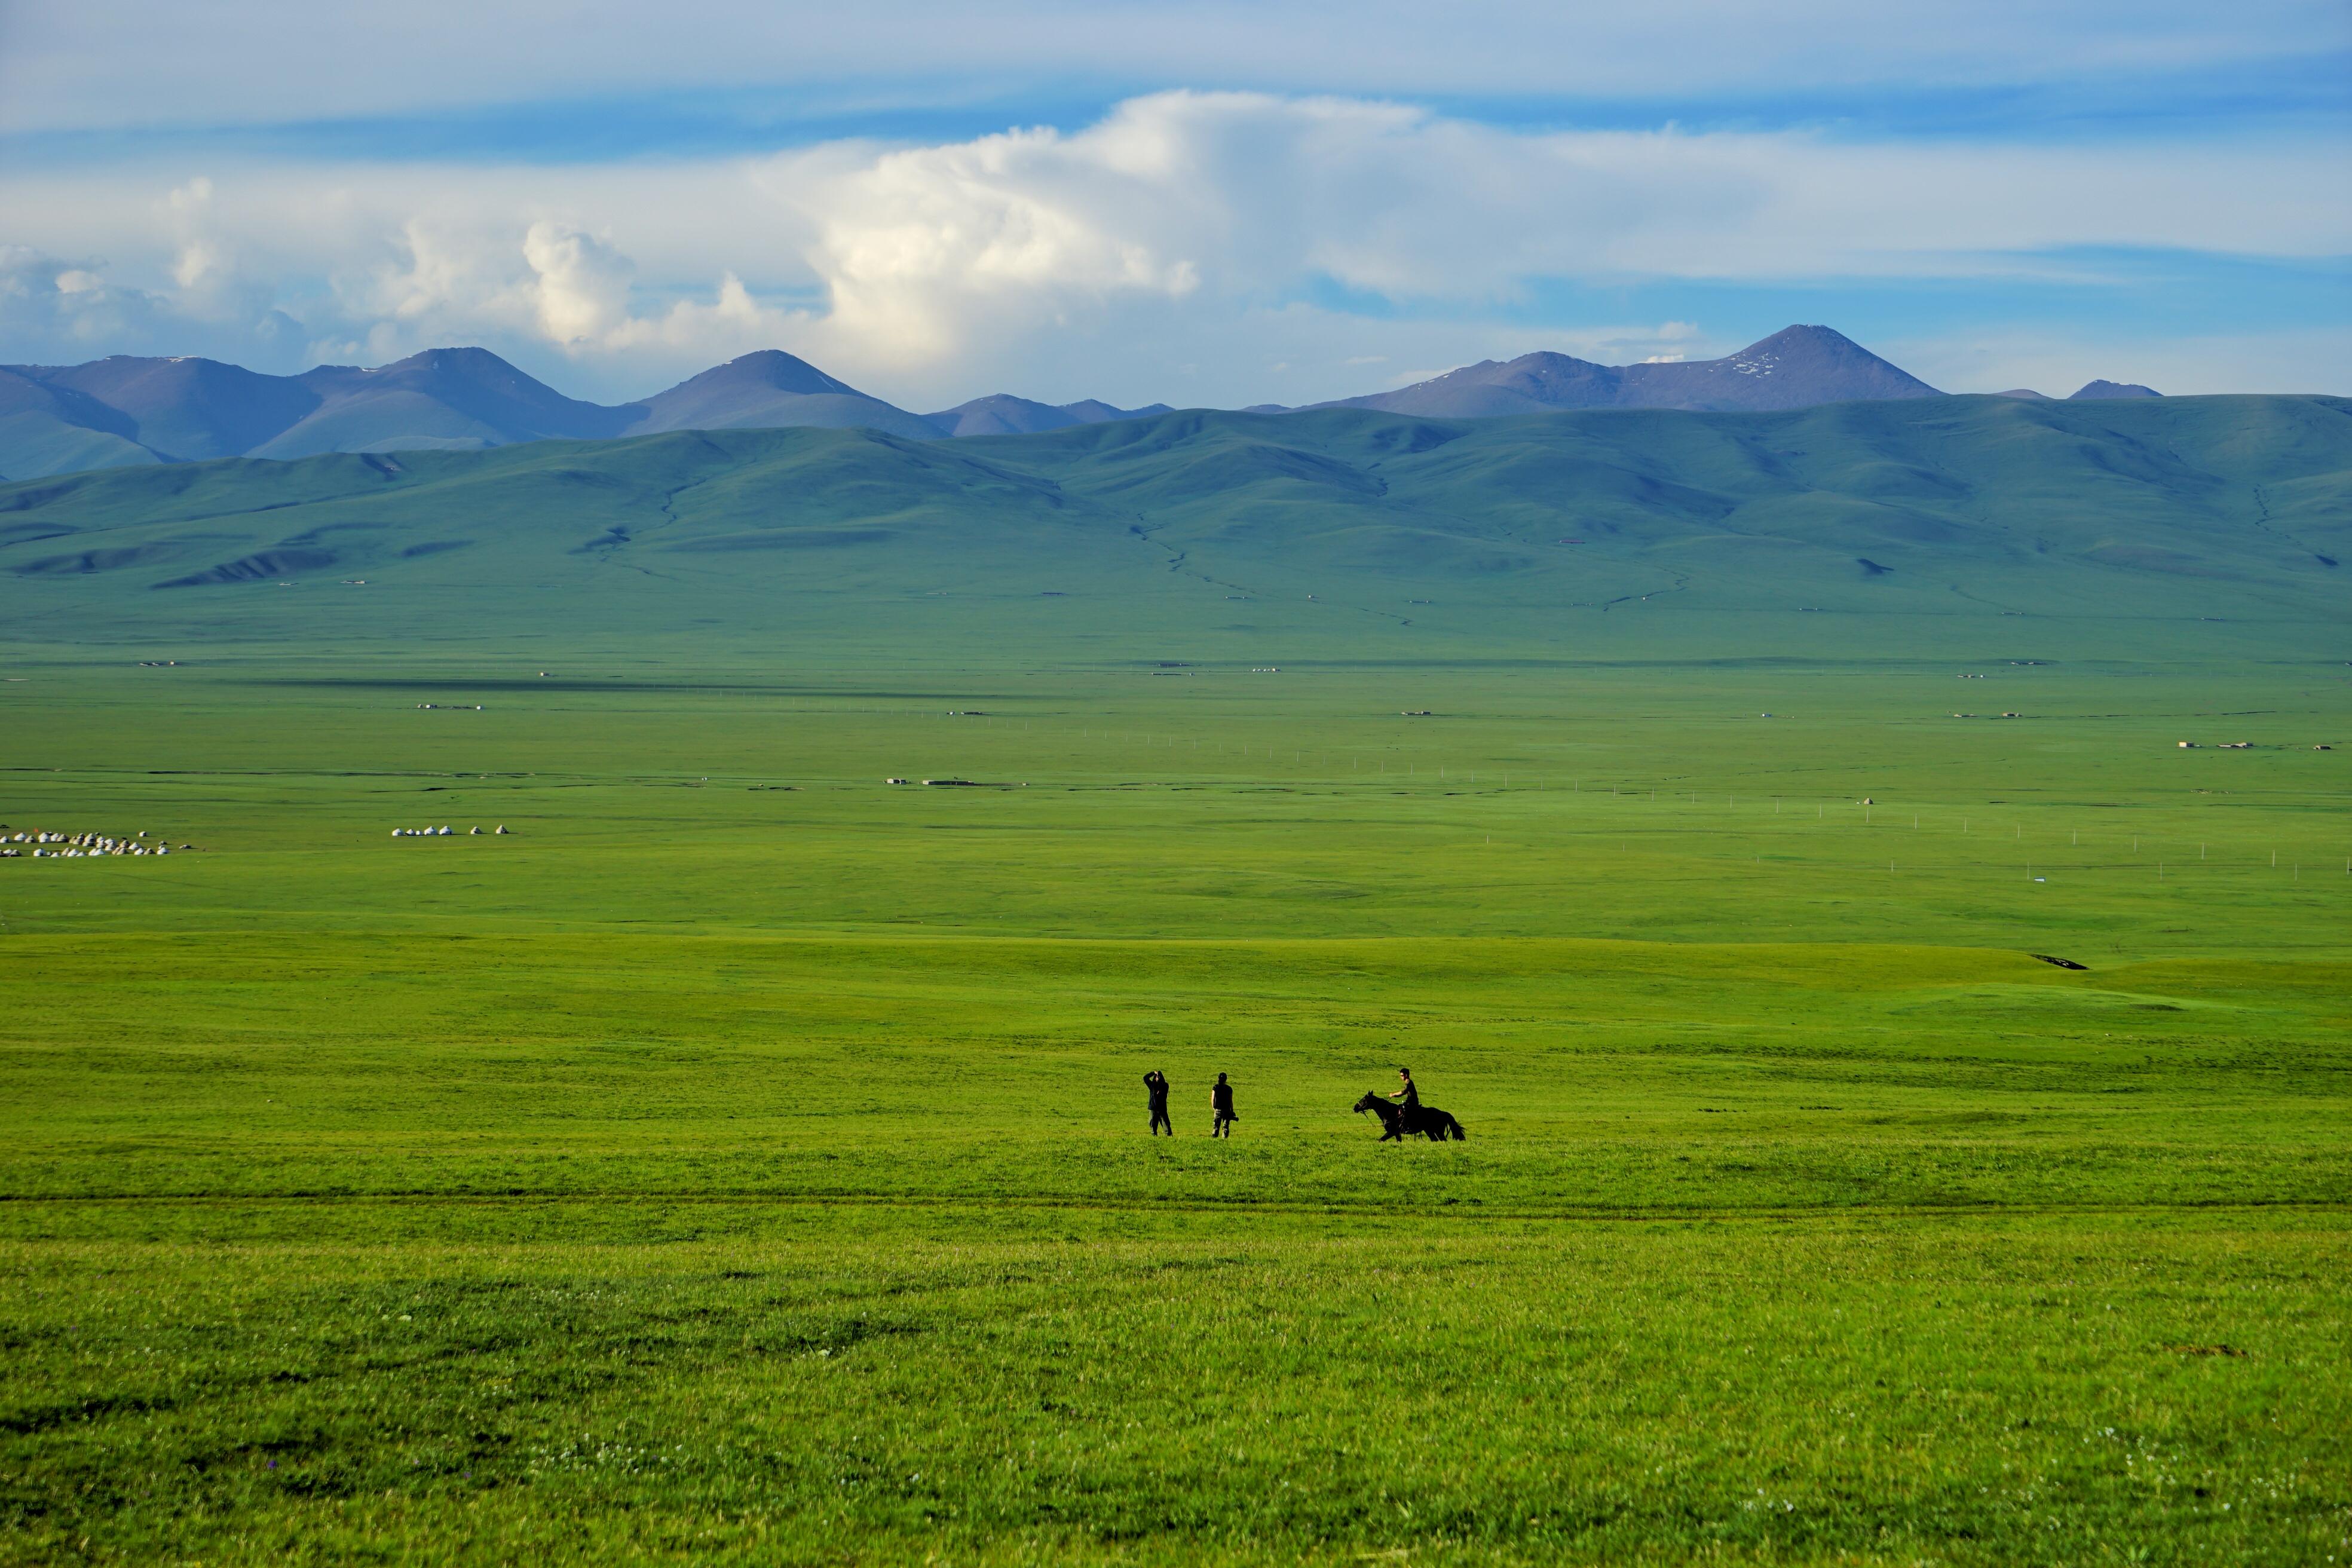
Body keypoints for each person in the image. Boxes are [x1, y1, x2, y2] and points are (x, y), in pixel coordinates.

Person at [1144, 1069, 1172, 1136]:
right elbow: (1145, 1078)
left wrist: (1157, 1075)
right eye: (1157, 1077)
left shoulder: (1165, 1086)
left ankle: (1170, 1139)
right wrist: (1153, 1073)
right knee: (1153, 1128)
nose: (1158, 1078)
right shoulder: (1152, 1086)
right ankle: (1154, 1140)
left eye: (1159, 1077)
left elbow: (1163, 1086)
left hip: (1162, 1109)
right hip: (1154, 1109)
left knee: (1167, 1128)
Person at [1210, 1071, 1237, 1137]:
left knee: (1216, 1126)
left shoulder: (1216, 1087)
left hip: (1218, 1109)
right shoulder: (1229, 1089)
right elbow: (1231, 1101)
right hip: (1227, 1110)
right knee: (1226, 1127)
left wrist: (1214, 1108)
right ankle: (1224, 1139)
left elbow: (1213, 1099)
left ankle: (1214, 1139)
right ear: (1226, 1079)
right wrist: (1232, 1110)